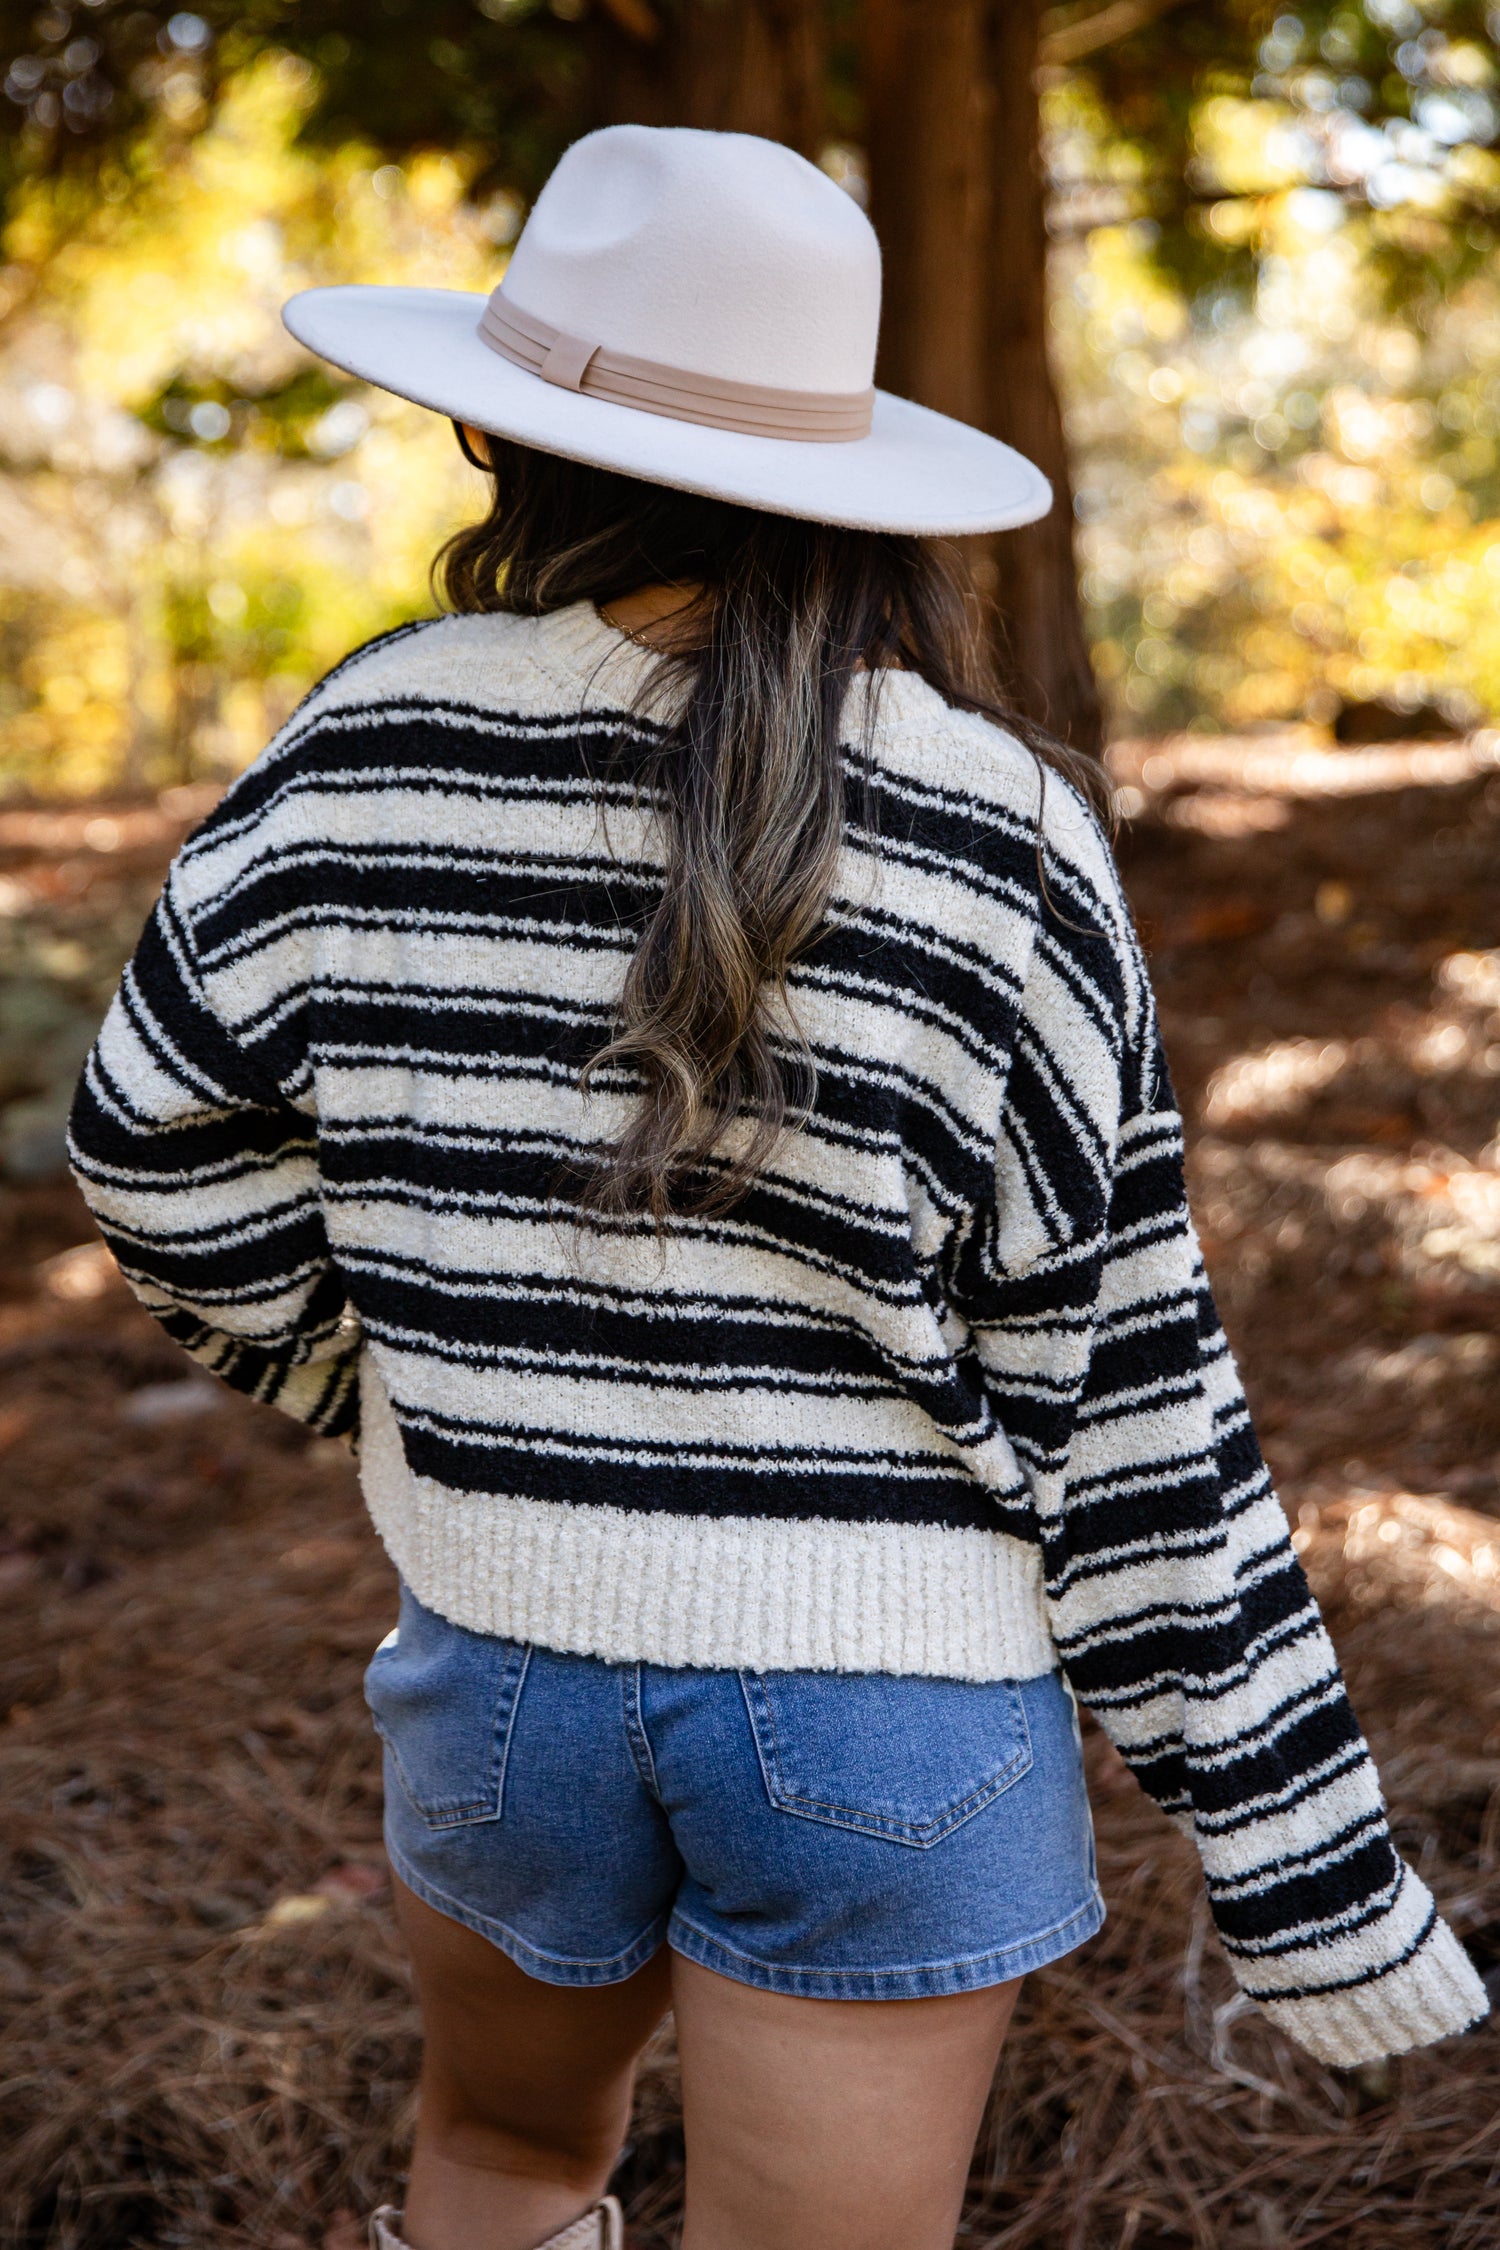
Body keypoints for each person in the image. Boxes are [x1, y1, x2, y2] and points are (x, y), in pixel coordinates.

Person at [69, 125, 1486, 2250]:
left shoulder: (365, 748)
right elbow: (1129, 1407)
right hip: (890, 1713)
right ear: (847, 469)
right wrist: (1318, 1891)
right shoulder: (1001, 833)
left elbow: (146, 1145)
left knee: (502, 2164)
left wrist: (396, 1384)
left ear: (489, 423)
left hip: (502, 1672)